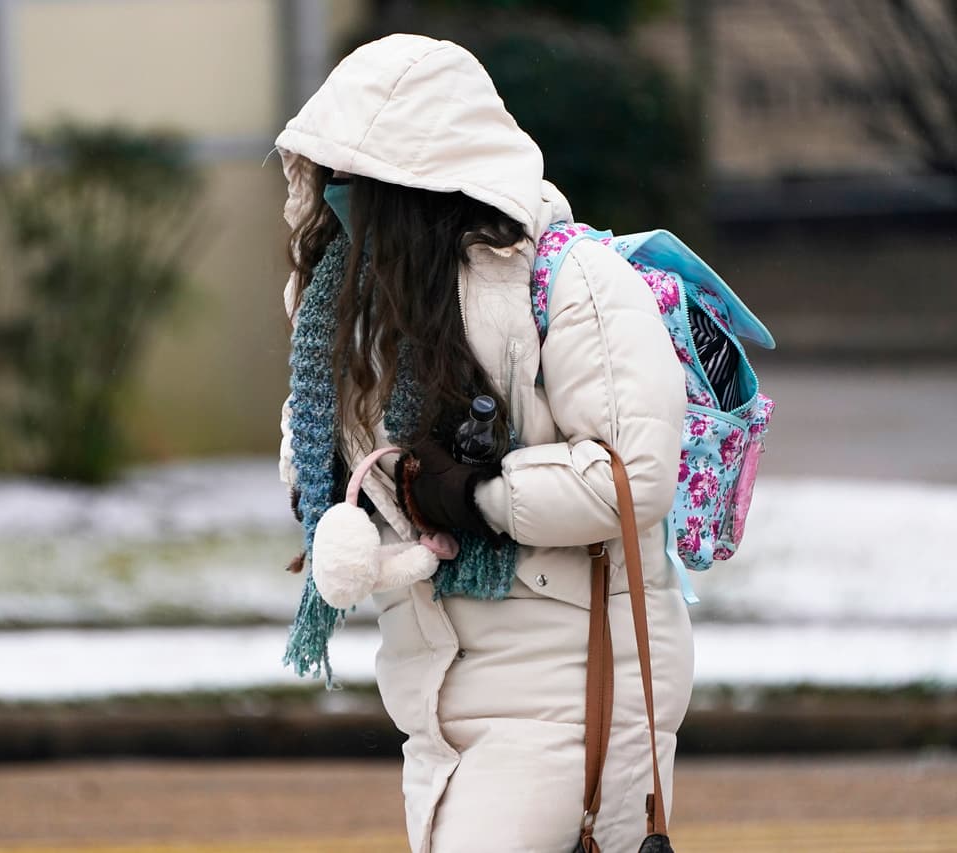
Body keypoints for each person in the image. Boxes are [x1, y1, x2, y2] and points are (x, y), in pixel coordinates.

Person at [274, 34, 693, 853]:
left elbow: (633, 475)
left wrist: (473, 496)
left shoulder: (574, 283)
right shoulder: (356, 305)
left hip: (565, 691)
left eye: (363, 180)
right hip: (429, 695)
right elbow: (306, 432)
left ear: (424, 183)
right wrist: (328, 493)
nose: (343, 201)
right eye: (334, 177)